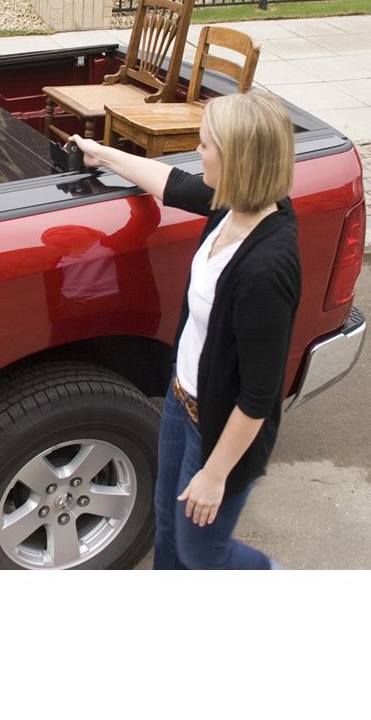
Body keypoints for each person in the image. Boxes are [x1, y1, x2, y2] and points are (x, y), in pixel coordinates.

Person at [69, 88, 300, 569]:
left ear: (237, 160)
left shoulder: (265, 268)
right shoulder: (233, 206)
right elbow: (172, 184)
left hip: (218, 430)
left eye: (205, 145)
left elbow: (259, 395)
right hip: (180, 402)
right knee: (167, 525)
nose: (197, 152)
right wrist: (104, 154)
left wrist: (215, 474)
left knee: (202, 549)